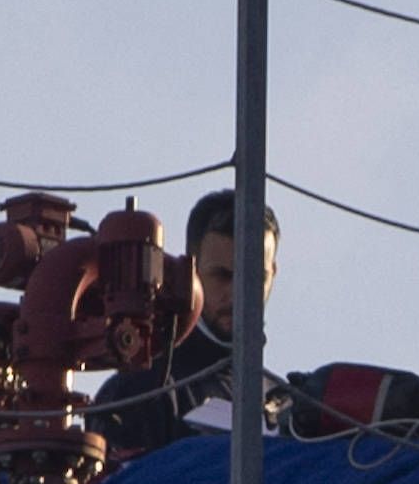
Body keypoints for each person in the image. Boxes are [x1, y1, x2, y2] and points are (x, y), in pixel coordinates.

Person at [92, 188, 280, 458]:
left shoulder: (289, 407)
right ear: (191, 273)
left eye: (255, 277)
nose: (238, 293)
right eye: (222, 276)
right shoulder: (142, 391)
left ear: (273, 274)